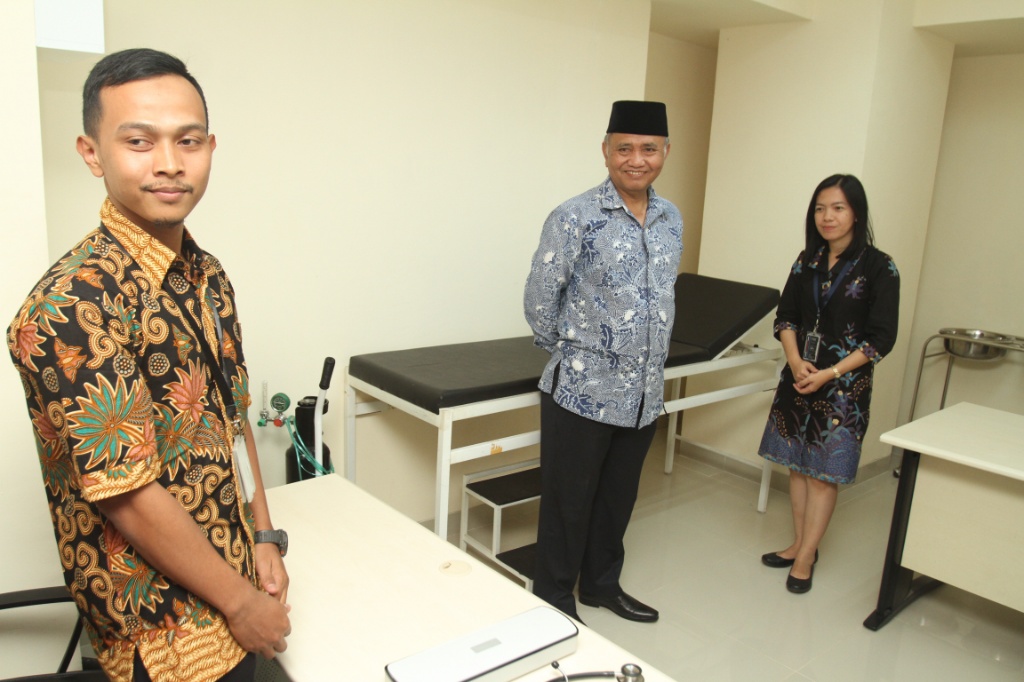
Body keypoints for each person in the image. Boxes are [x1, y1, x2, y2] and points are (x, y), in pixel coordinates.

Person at [7, 49, 291, 681]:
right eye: (139, 141)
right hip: (163, 635)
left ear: (210, 147)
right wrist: (243, 604)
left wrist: (264, 536)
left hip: (240, 583)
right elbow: (127, 495)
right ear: (92, 153)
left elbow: (233, 415)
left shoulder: (206, 274)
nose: (169, 163)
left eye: (188, 141)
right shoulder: (70, 306)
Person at [524, 101, 682, 623]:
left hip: (643, 394)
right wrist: (580, 355)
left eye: (648, 149)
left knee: (617, 501)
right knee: (568, 505)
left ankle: (600, 586)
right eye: (624, 148)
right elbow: (540, 299)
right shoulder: (574, 216)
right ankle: (553, 602)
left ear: (665, 152)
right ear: (606, 151)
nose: (636, 160)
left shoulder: (671, 219)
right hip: (582, 391)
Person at [758, 174, 899, 594]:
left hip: (843, 389)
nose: (827, 217)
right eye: (820, 208)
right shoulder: (808, 260)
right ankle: (800, 544)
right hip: (799, 377)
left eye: (838, 208)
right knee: (797, 467)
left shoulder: (880, 267)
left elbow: (881, 339)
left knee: (821, 475)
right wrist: (795, 361)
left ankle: (805, 557)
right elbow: (786, 317)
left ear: (856, 213)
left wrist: (830, 372)